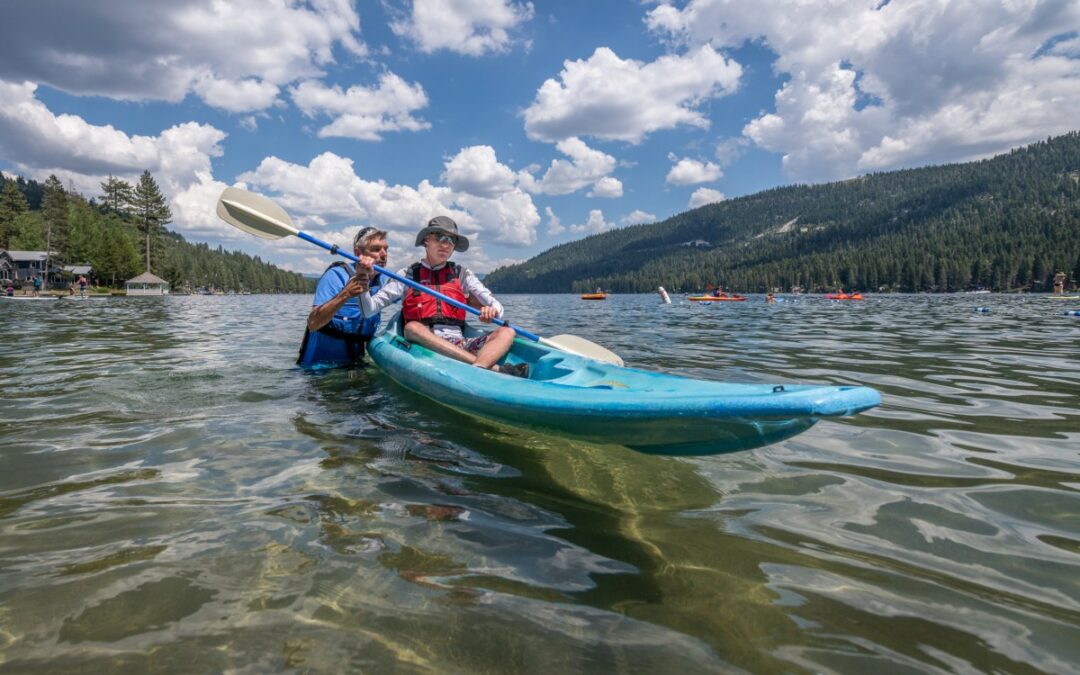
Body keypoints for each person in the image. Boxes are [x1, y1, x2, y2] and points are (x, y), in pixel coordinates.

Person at [357, 216, 526, 377]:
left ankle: (479, 369)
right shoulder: (407, 274)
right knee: (412, 327)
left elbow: (498, 307)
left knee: (507, 331)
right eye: (439, 237)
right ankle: (490, 368)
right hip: (423, 344)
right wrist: (363, 278)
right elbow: (368, 310)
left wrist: (491, 311)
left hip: (459, 343)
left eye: (451, 240)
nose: (446, 244)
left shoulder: (462, 274)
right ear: (426, 241)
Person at [297, 226, 390, 368]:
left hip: (355, 366)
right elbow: (313, 323)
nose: (384, 255)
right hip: (319, 368)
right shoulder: (335, 276)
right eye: (376, 249)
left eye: (386, 249)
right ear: (358, 253)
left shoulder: (385, 281)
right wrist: (346, 293)